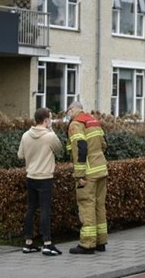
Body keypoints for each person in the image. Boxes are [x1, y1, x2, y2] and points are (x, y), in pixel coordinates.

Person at [17, 107, 63, 256]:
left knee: (31, 208)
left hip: (31, 176)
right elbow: (59, 149)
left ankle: (28, 243)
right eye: (50, 118)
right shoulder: (49, 136)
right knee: (44, 210)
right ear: (46, 120)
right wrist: (51, 130)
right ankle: (47, 244)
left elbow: (20, 156)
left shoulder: (25, 135)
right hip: (45, 177)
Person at [65, 101, 109, 255]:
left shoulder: (76, 124)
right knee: (99, 205)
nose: (68, 116)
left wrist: (80, 175)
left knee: (86, 205)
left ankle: (87, 244)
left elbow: (80, 148)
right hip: (101, 169)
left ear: (72, 110)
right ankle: (101, 242)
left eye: (68, 112)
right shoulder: (93, 121)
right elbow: (104, 144)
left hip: (88, 172)